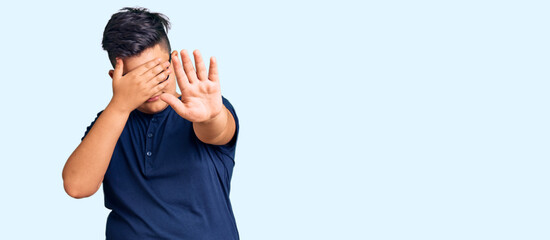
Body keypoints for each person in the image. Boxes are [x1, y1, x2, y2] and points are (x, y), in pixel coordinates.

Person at [62, 7, 240, 239]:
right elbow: (77, 187)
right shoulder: (109, 123)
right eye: (138, 78)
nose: (153, 86)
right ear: (115, 78)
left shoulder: (203, 107)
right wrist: (119, 105)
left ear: (173, 60)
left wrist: (212, 117)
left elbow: (217, 132)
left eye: (159, 71)